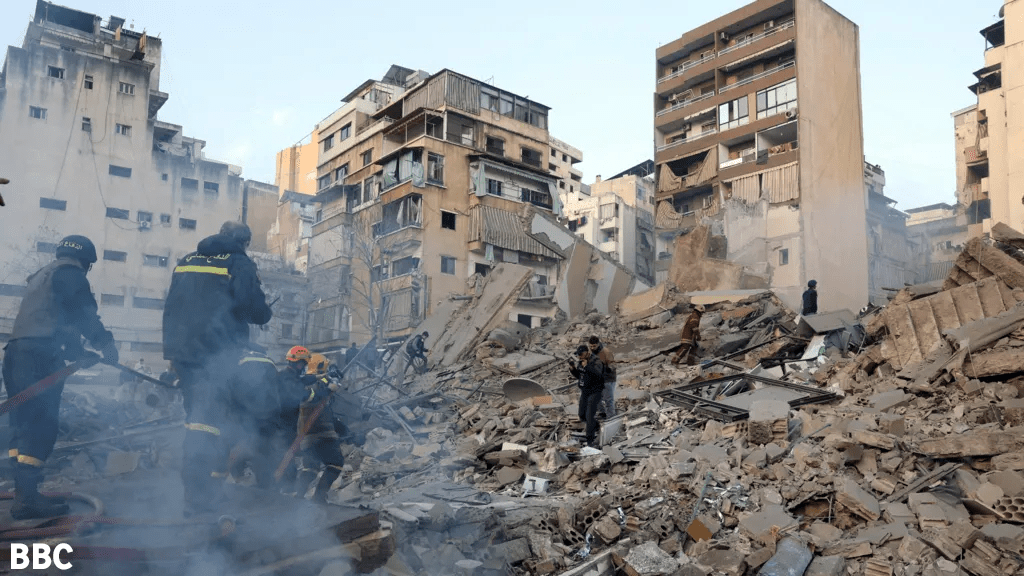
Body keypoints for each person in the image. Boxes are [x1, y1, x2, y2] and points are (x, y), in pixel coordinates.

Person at [1, 235, 118, 519]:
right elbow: (83, 313)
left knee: (23, 425)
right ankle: (27, 500)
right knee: (41, 425)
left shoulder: (42, 275)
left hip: (17, 353)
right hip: (39, 356)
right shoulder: (71, 275)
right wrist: (104, 343)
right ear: (86, 262)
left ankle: (25, 494)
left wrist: (77, 351)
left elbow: (59, 319)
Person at [162, 221, 272, 517]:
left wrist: (171, 352)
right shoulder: (239, 262)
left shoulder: (187, 261)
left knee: (198, 419)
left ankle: (201, 493)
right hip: (216, 353)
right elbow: (251, 304)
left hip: (184, 353)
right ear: (244, 241)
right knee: (207, 423)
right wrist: (264, 313)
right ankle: (198, 501)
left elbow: (171, 306)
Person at [224, 348, 281, 489]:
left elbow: (230, 395)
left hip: (244, 420)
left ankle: (235, 479)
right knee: (264, 453)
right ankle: (265, 486)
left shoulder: (239, 364)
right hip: (269, 420)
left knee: (238, 449)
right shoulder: (270, 365)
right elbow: (279, 395)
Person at [294, 353, 345, 503]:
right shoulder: (314, 383)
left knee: (311, 467)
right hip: (321, 433)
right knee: (336, 463)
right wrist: (332, 383)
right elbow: (321, 389)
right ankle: (319, 498)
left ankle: (297, 498)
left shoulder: (306, 380)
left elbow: (322, 381)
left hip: (308, 436)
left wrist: (332, 376)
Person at [568, 344, 606, 448]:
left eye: (581, 354)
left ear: (587, 352)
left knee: (589, 415)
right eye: (578, 355)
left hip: (595, 391)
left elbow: (598, 375)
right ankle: (596, 425)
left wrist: (587, 366)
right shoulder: (581, 363)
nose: (579, 356)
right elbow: (580, 376)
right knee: (582, 415)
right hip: (585, 391)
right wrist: (573, 368)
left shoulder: (596, 361)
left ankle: (590, 441)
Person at [587, 336, 617, 419]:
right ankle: (602, 412)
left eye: (594, 346)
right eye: (591, 346)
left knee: (608, 399)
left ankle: (611, 416)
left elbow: (613, 365)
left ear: (598, 344)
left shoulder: (606, 352)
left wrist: (607, 368)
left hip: (608, 378)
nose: (592, 348)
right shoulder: (590, 353)